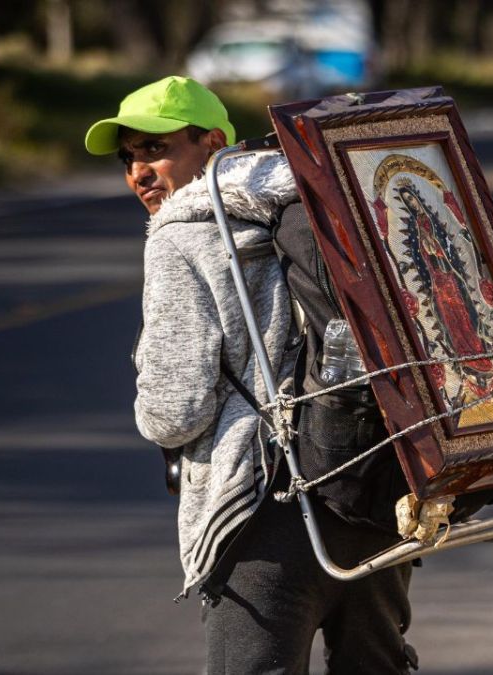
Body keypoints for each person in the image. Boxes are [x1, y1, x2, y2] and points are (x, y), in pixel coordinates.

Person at [85, 76, 415, 673]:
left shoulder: (181, 235)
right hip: (371, 493)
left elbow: (174, 409)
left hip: (264, 513)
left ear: (212, 142)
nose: (139, 172)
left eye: (156, 149)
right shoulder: (321, 200)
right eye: (128, 157)